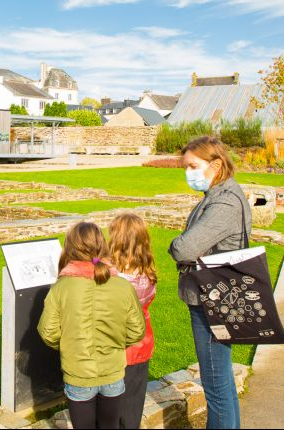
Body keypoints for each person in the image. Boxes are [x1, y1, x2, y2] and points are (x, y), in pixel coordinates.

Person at [168, 136, 251, 429]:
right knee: (222, 381)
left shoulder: (225, 201)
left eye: (193, 166)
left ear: (215, 165)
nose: (188, 172)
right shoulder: (216, 195)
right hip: (211, 294)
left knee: (216, 384)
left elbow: (184, 248)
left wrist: (175, 245)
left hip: (212, 299)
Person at [38, 222, 146, 430]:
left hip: (79, 372)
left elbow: (48, 332)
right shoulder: (122, 286)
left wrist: (70, 346)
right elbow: (136, 330)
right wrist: (114, 344)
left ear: (70, 247)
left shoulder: (61, 288)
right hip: (112, 370)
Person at [108, 213, 158, 429]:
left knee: (109, 409)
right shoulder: (148, 273)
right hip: (140, 346)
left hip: (114, 348)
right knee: (132, 409)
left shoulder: (109, 274)